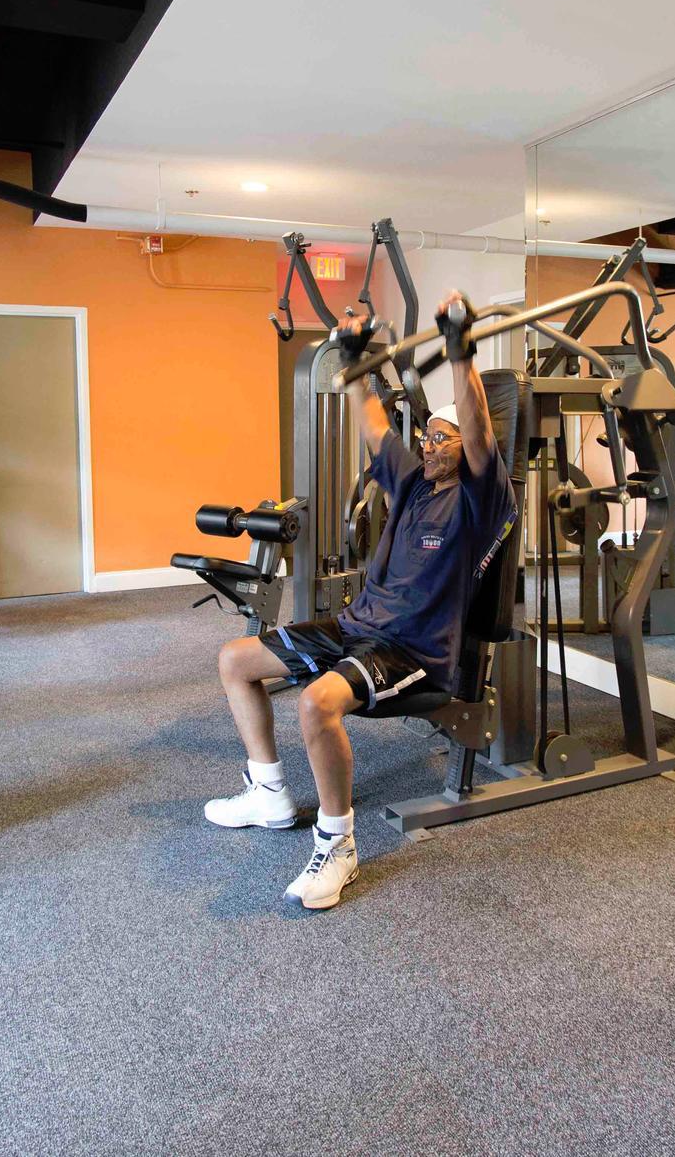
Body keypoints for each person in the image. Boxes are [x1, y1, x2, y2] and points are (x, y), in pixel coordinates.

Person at [206, 289, 517, 909]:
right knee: (235, 660)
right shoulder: (412, 482)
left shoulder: (482, 499)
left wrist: (460, 352)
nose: (429, 447)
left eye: (442, 440)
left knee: (317, 704)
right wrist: (353, 360)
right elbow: (373, 423)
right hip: (356, 627)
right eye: (426, 438)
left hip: (413, 651)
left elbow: (480, 434)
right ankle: (268, 792)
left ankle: (338, 845)